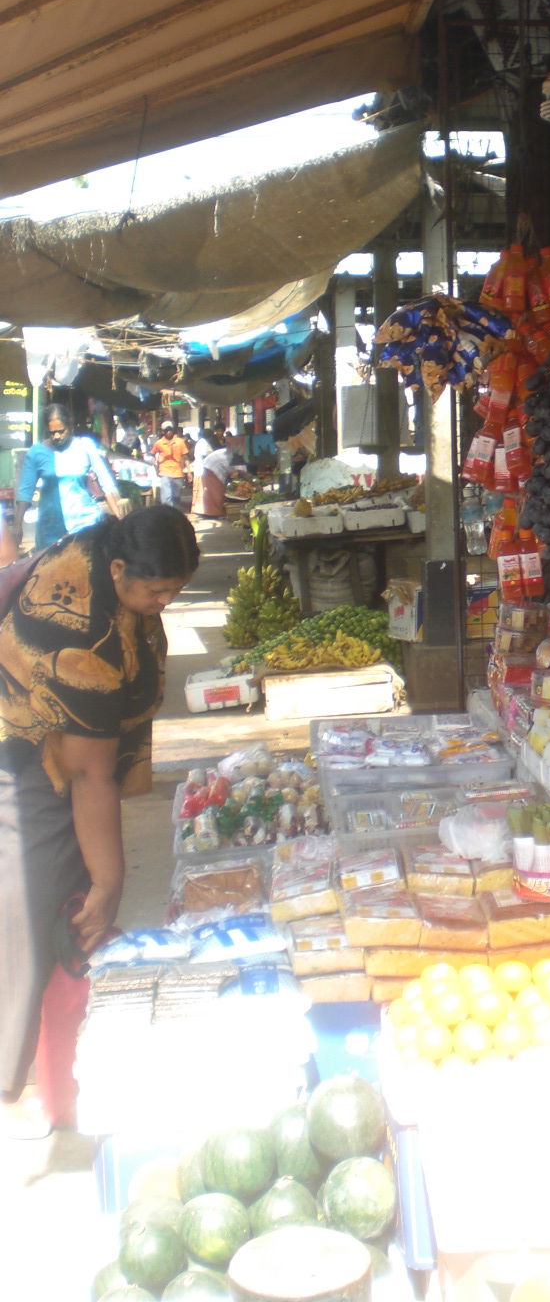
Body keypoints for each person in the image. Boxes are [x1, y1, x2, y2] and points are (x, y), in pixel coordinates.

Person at [0, 506, 199, 1137]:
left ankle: (56, 1072)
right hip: (23, 749)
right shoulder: (80, 629)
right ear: (117, 571)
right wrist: (109, 881)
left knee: (70, 906)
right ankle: (18, 1078)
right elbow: (88, 776)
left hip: (74, 747)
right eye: (157, 590)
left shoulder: (115, 559)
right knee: (29, 912)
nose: (166, 602)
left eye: (176, 590)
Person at [13, 405, 124, 552]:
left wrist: (119, 517)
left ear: (70, 427)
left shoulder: (85, 446)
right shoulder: (36, 453)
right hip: (50, 530)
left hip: (84, 524)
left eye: (61, 431)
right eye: (52, 432)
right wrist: (17, 525)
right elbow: (25, 493)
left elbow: (106, 483)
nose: (57, 436)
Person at [195, 432, 238, 520]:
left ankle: (212, 512)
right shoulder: (231, 455)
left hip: (210, 468)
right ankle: (213, 513)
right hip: (210, 469)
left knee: (214, 492)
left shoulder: (229, 453)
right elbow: (239, 471)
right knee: (215, 492)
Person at [150, 420, 190, 511]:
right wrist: (155, 465)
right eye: (166, 430)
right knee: (166, 497)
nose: (169, 432)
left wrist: (189, 472)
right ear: (163, 431)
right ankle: (169, 514)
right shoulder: (159, 443)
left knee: (176, 496)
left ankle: (174, 512)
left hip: (178, 473)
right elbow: (153, 454)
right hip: (165, 473)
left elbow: (186, 457)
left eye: (170, 429)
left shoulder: (180, 442)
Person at [191, 425, 225, 513]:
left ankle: (202, 510)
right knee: (202, 492)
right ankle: (203, 510)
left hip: (203, 470)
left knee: (201, 492)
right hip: (202, 470)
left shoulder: (203, 442)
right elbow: (205, 456)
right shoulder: (203, 443)